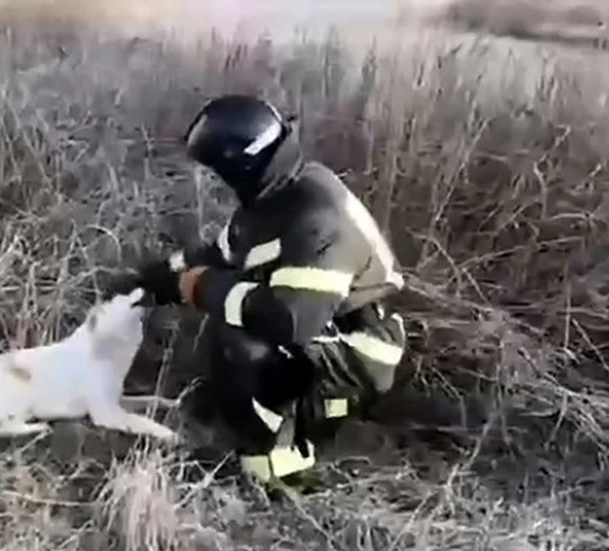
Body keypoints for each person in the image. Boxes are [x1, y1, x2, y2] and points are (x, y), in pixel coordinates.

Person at [132, 94, 407, 496]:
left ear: (238, 166)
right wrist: (157, 278)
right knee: (229, 318)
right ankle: (256, 414)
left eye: (217, 170)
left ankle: (279, 468)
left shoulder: (315, 217)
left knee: (242, 336)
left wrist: (197, 286)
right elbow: (220, 253)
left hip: (361, 350)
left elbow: (288, 320)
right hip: (326, 326)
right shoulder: (272, 195)